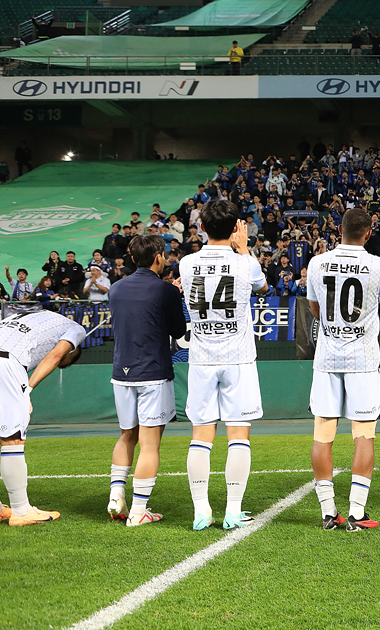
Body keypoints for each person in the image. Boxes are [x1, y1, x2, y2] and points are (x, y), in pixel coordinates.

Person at [180, 200, 270, 531]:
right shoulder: (246, 264)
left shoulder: (186, 263)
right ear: (235, 229)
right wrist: (243, 250)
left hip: (202, 357)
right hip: (238, 357)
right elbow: (263, 287)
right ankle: (233, 511)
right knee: (238, 434)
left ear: (202, 227)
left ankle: (201, 511)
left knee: (201, 436)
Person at [306, 208, 380, 532]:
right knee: (364, 435)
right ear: (368, 233)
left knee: (322, 435)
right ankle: (356, 512)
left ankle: (328, 512)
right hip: (363, 360)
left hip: (327, 358)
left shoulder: (317, 263)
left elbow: (316, 310)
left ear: (339, 229)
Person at [105, 235, 188, 526]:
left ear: (131, 258)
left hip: (121, 372)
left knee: (127, 435)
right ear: (158, 258)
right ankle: (139, 511)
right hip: (153, 372)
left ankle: (116, 496)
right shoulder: (165, 290)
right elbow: (179, 331)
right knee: (150, 444)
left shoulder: (116, 288)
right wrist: (174, 295)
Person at [0, 310, 85, 525]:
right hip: (6, 362)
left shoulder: (34, 315)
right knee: (12, 439)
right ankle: (21, 511)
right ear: (73, 350)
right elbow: (55, 355)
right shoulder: (76, 329)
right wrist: (26, 390)